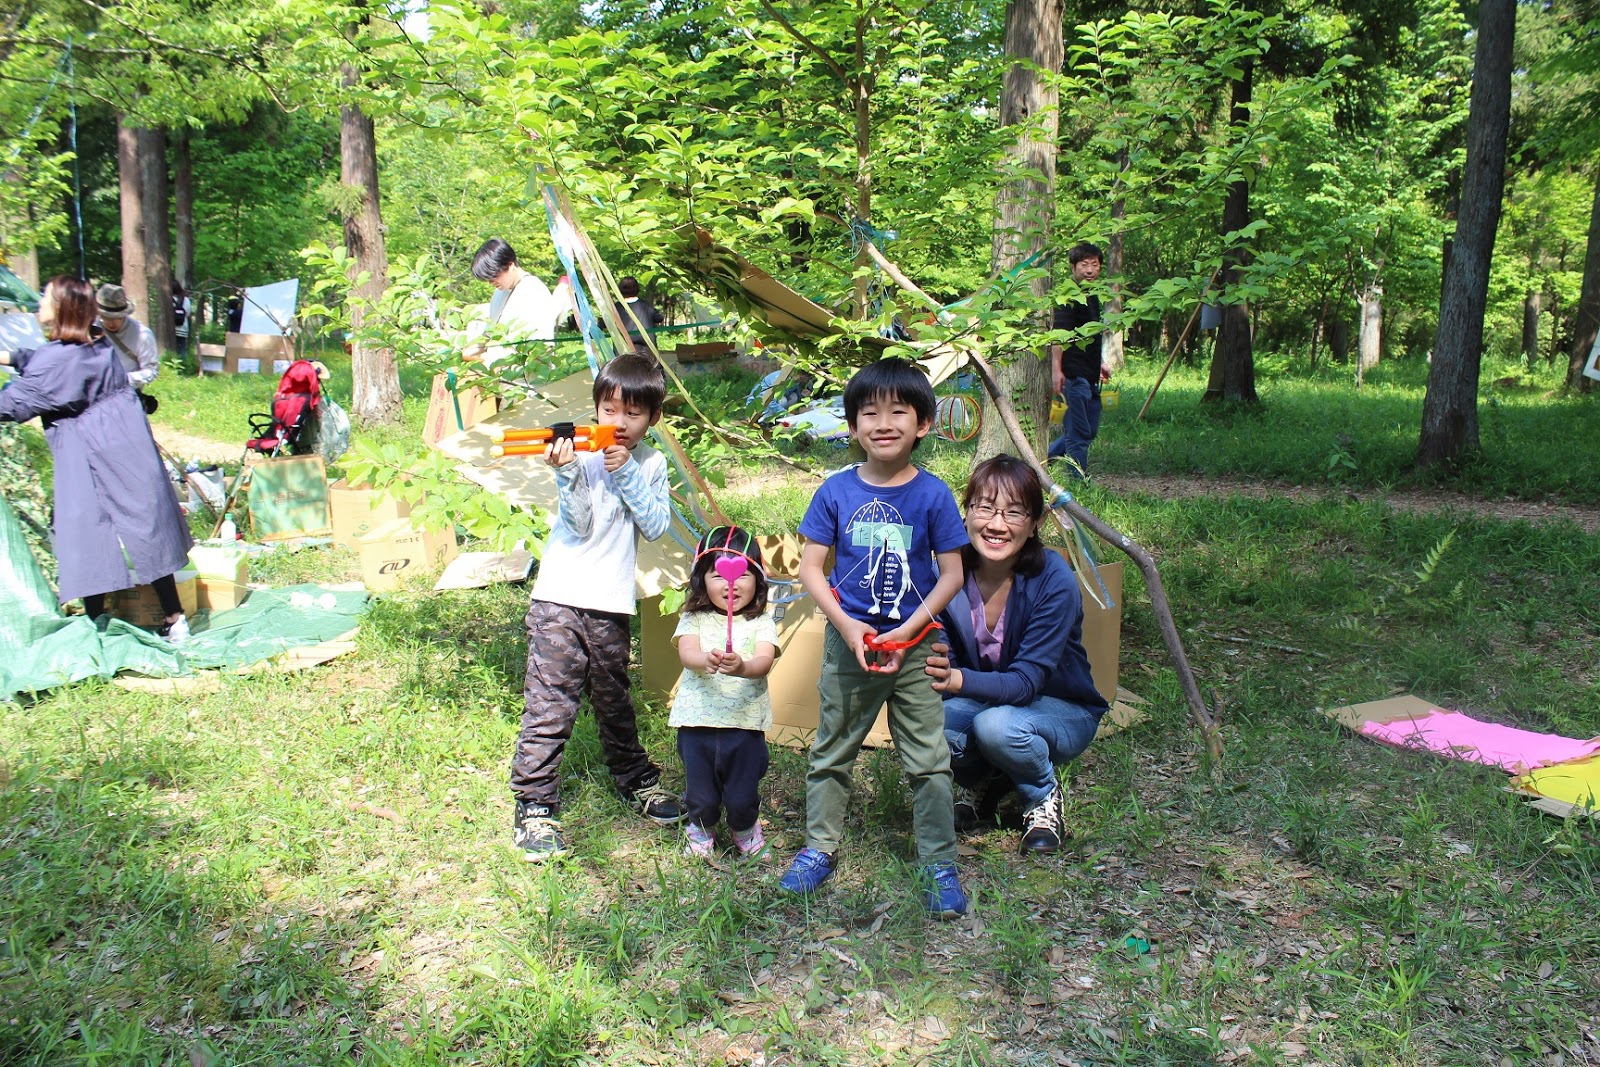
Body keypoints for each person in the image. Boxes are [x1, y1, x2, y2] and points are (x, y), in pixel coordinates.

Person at [782, 357, 971, 918]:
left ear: (924, 424)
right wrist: (848, 626)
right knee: (832, 749)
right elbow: (811, 568)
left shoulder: (934, 495)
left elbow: (952, 574)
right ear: (851, 425)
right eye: (869, 413)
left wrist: (909, 632)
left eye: (898, 412)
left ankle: (939, 862)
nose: (883, 424)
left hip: (917, 647)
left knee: (929, 759)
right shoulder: (835, 491)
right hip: (851, 645)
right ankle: (819, 848)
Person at [511, 353, 684, 861]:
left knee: (613, 698)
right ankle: (535, 805)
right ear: (596, 409)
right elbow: (580, 523)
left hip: (610, 603)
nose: (620, 422)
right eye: (610, 410)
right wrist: (568, 473)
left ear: (653, 417)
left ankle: (636, 780)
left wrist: (627, 471)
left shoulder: (651, 463)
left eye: (633, 413)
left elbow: (655, 526)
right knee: (550, 702)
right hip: (559, 598)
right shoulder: (581, 452)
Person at [927, 454, 1108, 854]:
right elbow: (940, 657)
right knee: (926, 722)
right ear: (966, 511)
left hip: (1059, 707)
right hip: (981, 700)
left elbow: (1026, 683)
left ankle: (1042, 796)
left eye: (1014, 512)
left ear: (1036, 523)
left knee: (997, 727)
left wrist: (954, 679)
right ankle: (983, 781)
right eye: (984, 508)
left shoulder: (1053, 579)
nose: (996, 524)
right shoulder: (947, 573)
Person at [0, 276, 193, 643]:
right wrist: (8, 356)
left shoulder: (58, 361)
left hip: (88, 448)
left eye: (46, 298)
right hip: (125, 440)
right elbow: (45, 360)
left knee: (85, 528)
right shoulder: (95, 342)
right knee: (140, 523)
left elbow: (13, 403)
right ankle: (174, 618)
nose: (40, 303)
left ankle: (97, 622)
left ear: (62, 308)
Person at [672, 525, 778, 860]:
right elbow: (687, 653)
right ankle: (701, 828)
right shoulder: (694, 618)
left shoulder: (761, 621)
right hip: (697, 723)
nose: (730, 584)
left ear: (758, 579)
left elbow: (764, 661)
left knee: (742, 793)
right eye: (717, 575)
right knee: (700, 791)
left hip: (744, 724)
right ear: (701, 579)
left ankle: (745, 828)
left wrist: (743, 666)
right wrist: (705, 659)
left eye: (742, 574)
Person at [1047, 243, 1109, 476]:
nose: (1090, 270)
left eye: (1095, 264)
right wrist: (1056, 370)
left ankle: (1042, 461)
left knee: (1088, 431)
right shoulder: (1068, 296)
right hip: (1072, 376)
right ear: (1073, 267)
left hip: (1090, 375)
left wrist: (1100, 363)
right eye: (1084, 265)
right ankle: (1079, 483)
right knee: (1078, 435)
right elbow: (1059, 335)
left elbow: (1090, 335)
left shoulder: (1092, 294)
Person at [468, 238, 561, 370]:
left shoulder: (534, 290)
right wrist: (463, 351)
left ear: (510, 265)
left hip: (524, 377)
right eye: (487, 279)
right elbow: (489, 334)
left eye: (494, 276)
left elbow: (542, 348)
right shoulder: (499, 293)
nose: (491, 282)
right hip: (500, 375)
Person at [95, 284, 160, 409]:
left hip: (127, 397)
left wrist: (125, 379)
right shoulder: (92, 329)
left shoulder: (142, 334)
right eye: (106, 317)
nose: (111, 322)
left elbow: (151, 370)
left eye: (117, 318)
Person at [615, 276, 663, 355]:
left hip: (622, 352)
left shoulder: (615, 308)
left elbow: (603, 323)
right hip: (647, 351)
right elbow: (659, 318)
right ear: (637, 289)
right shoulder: (646, 306)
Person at [171, 280, 191, 356]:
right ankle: (183, 362)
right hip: (183, 328)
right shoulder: (186, 300)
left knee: (171, 349)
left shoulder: (168, 299)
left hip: (171, 329)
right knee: (182, 349)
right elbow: (188, 313)